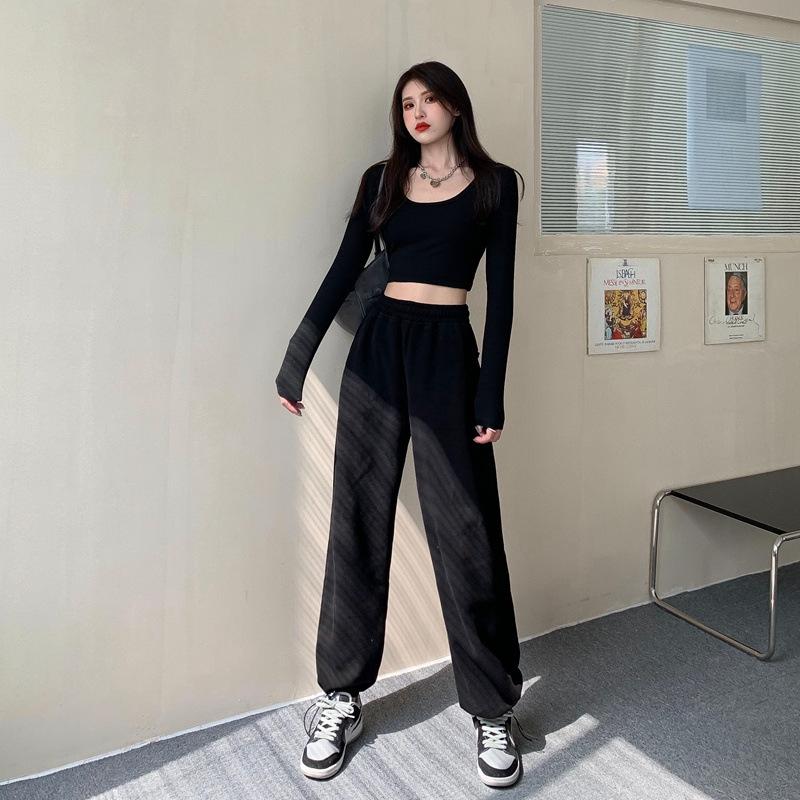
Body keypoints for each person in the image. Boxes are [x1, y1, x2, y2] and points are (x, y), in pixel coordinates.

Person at [276, 61, 524, 789]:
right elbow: (343, 268)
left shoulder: (496, 185)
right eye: (407, 102)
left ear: (456, 107)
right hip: (380, 349)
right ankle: (340, 695)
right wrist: (297, 358)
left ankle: (492, 709)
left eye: (430, 98)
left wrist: (491, 393)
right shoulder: (381, 181)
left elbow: (503, 295)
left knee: (466, 528)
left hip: (449, 352)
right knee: (358, 518)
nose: (417, 111)